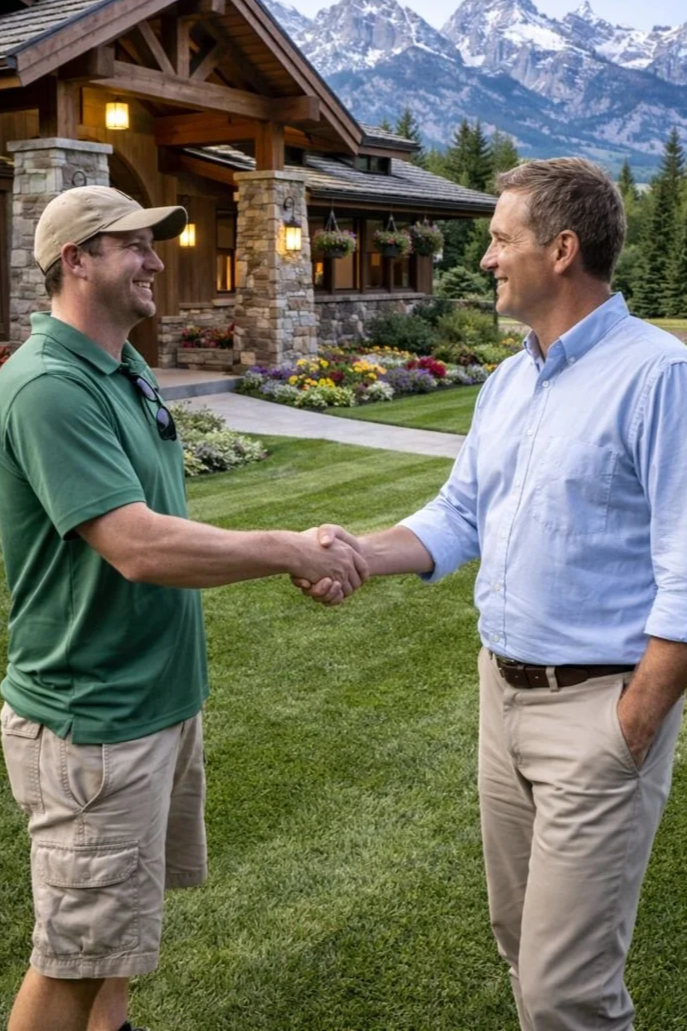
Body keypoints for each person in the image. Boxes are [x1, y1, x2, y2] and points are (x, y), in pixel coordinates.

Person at [295, 157, 687, 1030]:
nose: (484, 260)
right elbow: (460, 512)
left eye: (499, 240)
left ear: (560, 249)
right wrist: (357, 554)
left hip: (596, 709)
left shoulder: (659, 375)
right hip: (498, 698)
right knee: (518, 943)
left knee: (565, 990)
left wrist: (635, 717)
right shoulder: (510, 380)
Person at [0, 185, 367, 1031]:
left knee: (114, 942)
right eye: (133, 245)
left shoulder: (123, 365)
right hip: (94, 720)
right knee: (70, 955)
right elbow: (139, 545)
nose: (156, 260)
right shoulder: (49, 386)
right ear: (75, 260)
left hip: (152, 706)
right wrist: (285, 547)